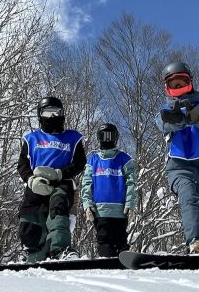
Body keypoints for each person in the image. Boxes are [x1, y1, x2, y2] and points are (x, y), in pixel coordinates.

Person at [156, 61, 199, 254]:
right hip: (179, 167)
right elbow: (162, 123)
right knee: (189, 198)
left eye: (182, 82)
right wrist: (176, 120)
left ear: (190, 82)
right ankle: (198, 242)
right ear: (167, 87)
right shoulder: (164, 112)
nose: (178, 87)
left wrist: (194, 116)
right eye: (174, 84)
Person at [17, 96, 87, 262]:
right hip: (37, 184)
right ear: (40, 115)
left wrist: (61, 173)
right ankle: (34, 254)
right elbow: (22, 164)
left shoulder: (73, 138)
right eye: (48, 113)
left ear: (62, 114)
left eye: (56, 113)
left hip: (61, 183)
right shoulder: (31, 139)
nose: (53, 117)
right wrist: (31, 180)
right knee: (29, 222)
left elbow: (80, 162)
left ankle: (59, 249)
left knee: (58, 209)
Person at [80, 123, 137, 257]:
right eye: (103, 136)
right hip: (100, 212)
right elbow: (86, 184)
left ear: (115, 138)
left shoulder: (124, 159)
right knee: (104, 241)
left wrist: (130, 204)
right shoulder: (92, 161)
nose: (107, 139)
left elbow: (131, 183)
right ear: (98, 138)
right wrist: (87, 205)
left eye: (109, 136)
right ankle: (106, 262)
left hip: (120, 211)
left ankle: (123, 264)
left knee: (121, 241)